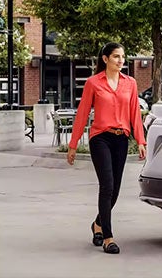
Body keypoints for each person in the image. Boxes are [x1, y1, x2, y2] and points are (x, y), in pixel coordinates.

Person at [66, 42, 147, 254]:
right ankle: (108, 238)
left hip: (121, 139)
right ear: (105, 59)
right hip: (100, 138)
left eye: (123, 57)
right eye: (116, 56)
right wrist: (73, 144)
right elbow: (82, 113)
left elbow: (135, 113)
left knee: (115, 191)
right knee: (107, 186)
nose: (121, 61)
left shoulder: (130, 83)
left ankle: (97, 224)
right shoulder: (93, 83)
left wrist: (141, 140)